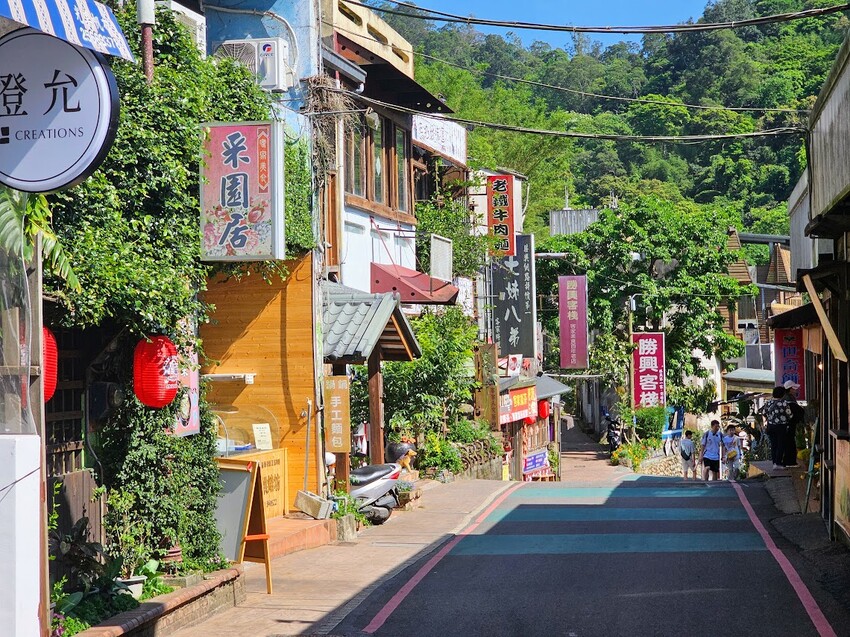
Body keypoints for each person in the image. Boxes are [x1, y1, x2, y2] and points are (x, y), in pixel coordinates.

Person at [761, 386, 793, 470]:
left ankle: (774, 462)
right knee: (781, 444)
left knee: (774, 444)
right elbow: (789, 415)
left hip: (771, 426)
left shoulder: (768, 402)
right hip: (781, 426)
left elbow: (764, 413)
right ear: (782, 394)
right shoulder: (784, 403)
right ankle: (778, 463)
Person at [783, 380, 805, 468]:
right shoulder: (789, 399)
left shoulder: (787, 398)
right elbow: (796, 411)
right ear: (790, 389)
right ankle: (790, 462)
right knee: (790, 442)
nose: (796, 390)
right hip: (789, 424)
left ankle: (788, 461)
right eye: (794, 388)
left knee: (789, 442)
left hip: (787, 425)